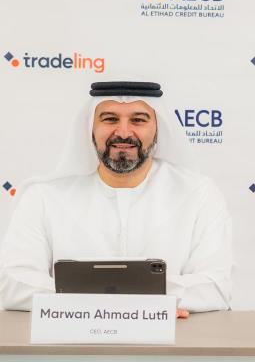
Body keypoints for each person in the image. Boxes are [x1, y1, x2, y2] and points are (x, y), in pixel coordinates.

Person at [0, 82, 232, 316]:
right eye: (110, 119)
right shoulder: (44, 196)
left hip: (174, 338)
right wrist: (147, 300)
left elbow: (215, 286)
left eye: (138, 120)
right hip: (71, 338)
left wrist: (89, 295)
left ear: (157, 129)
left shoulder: (198, 193)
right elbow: (14, 284)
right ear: (90, 128)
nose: (123, 132)